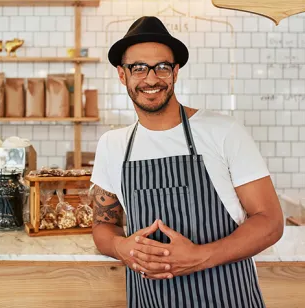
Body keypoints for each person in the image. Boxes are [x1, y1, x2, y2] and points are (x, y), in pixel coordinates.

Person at [91, 16, 284, 307]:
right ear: (122, 75)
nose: (151, 78)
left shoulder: (223, 130)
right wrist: (121, 247)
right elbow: (103, 226)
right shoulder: (112, 144)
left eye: (162, 67)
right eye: (138, 68)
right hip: (150, 300)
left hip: (227, 296)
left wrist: (199, 257)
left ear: (175, 72)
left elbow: (270, 222)